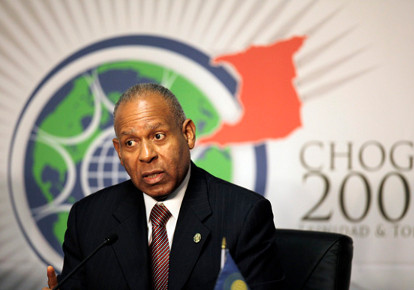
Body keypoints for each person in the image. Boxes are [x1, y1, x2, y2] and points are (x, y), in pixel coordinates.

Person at [43, 83, 284, 289]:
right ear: (118, 152)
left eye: (158, 136)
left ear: (188, 134)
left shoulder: (244, 216)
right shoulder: (88, 219)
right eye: (130, 142)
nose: (146, 155)